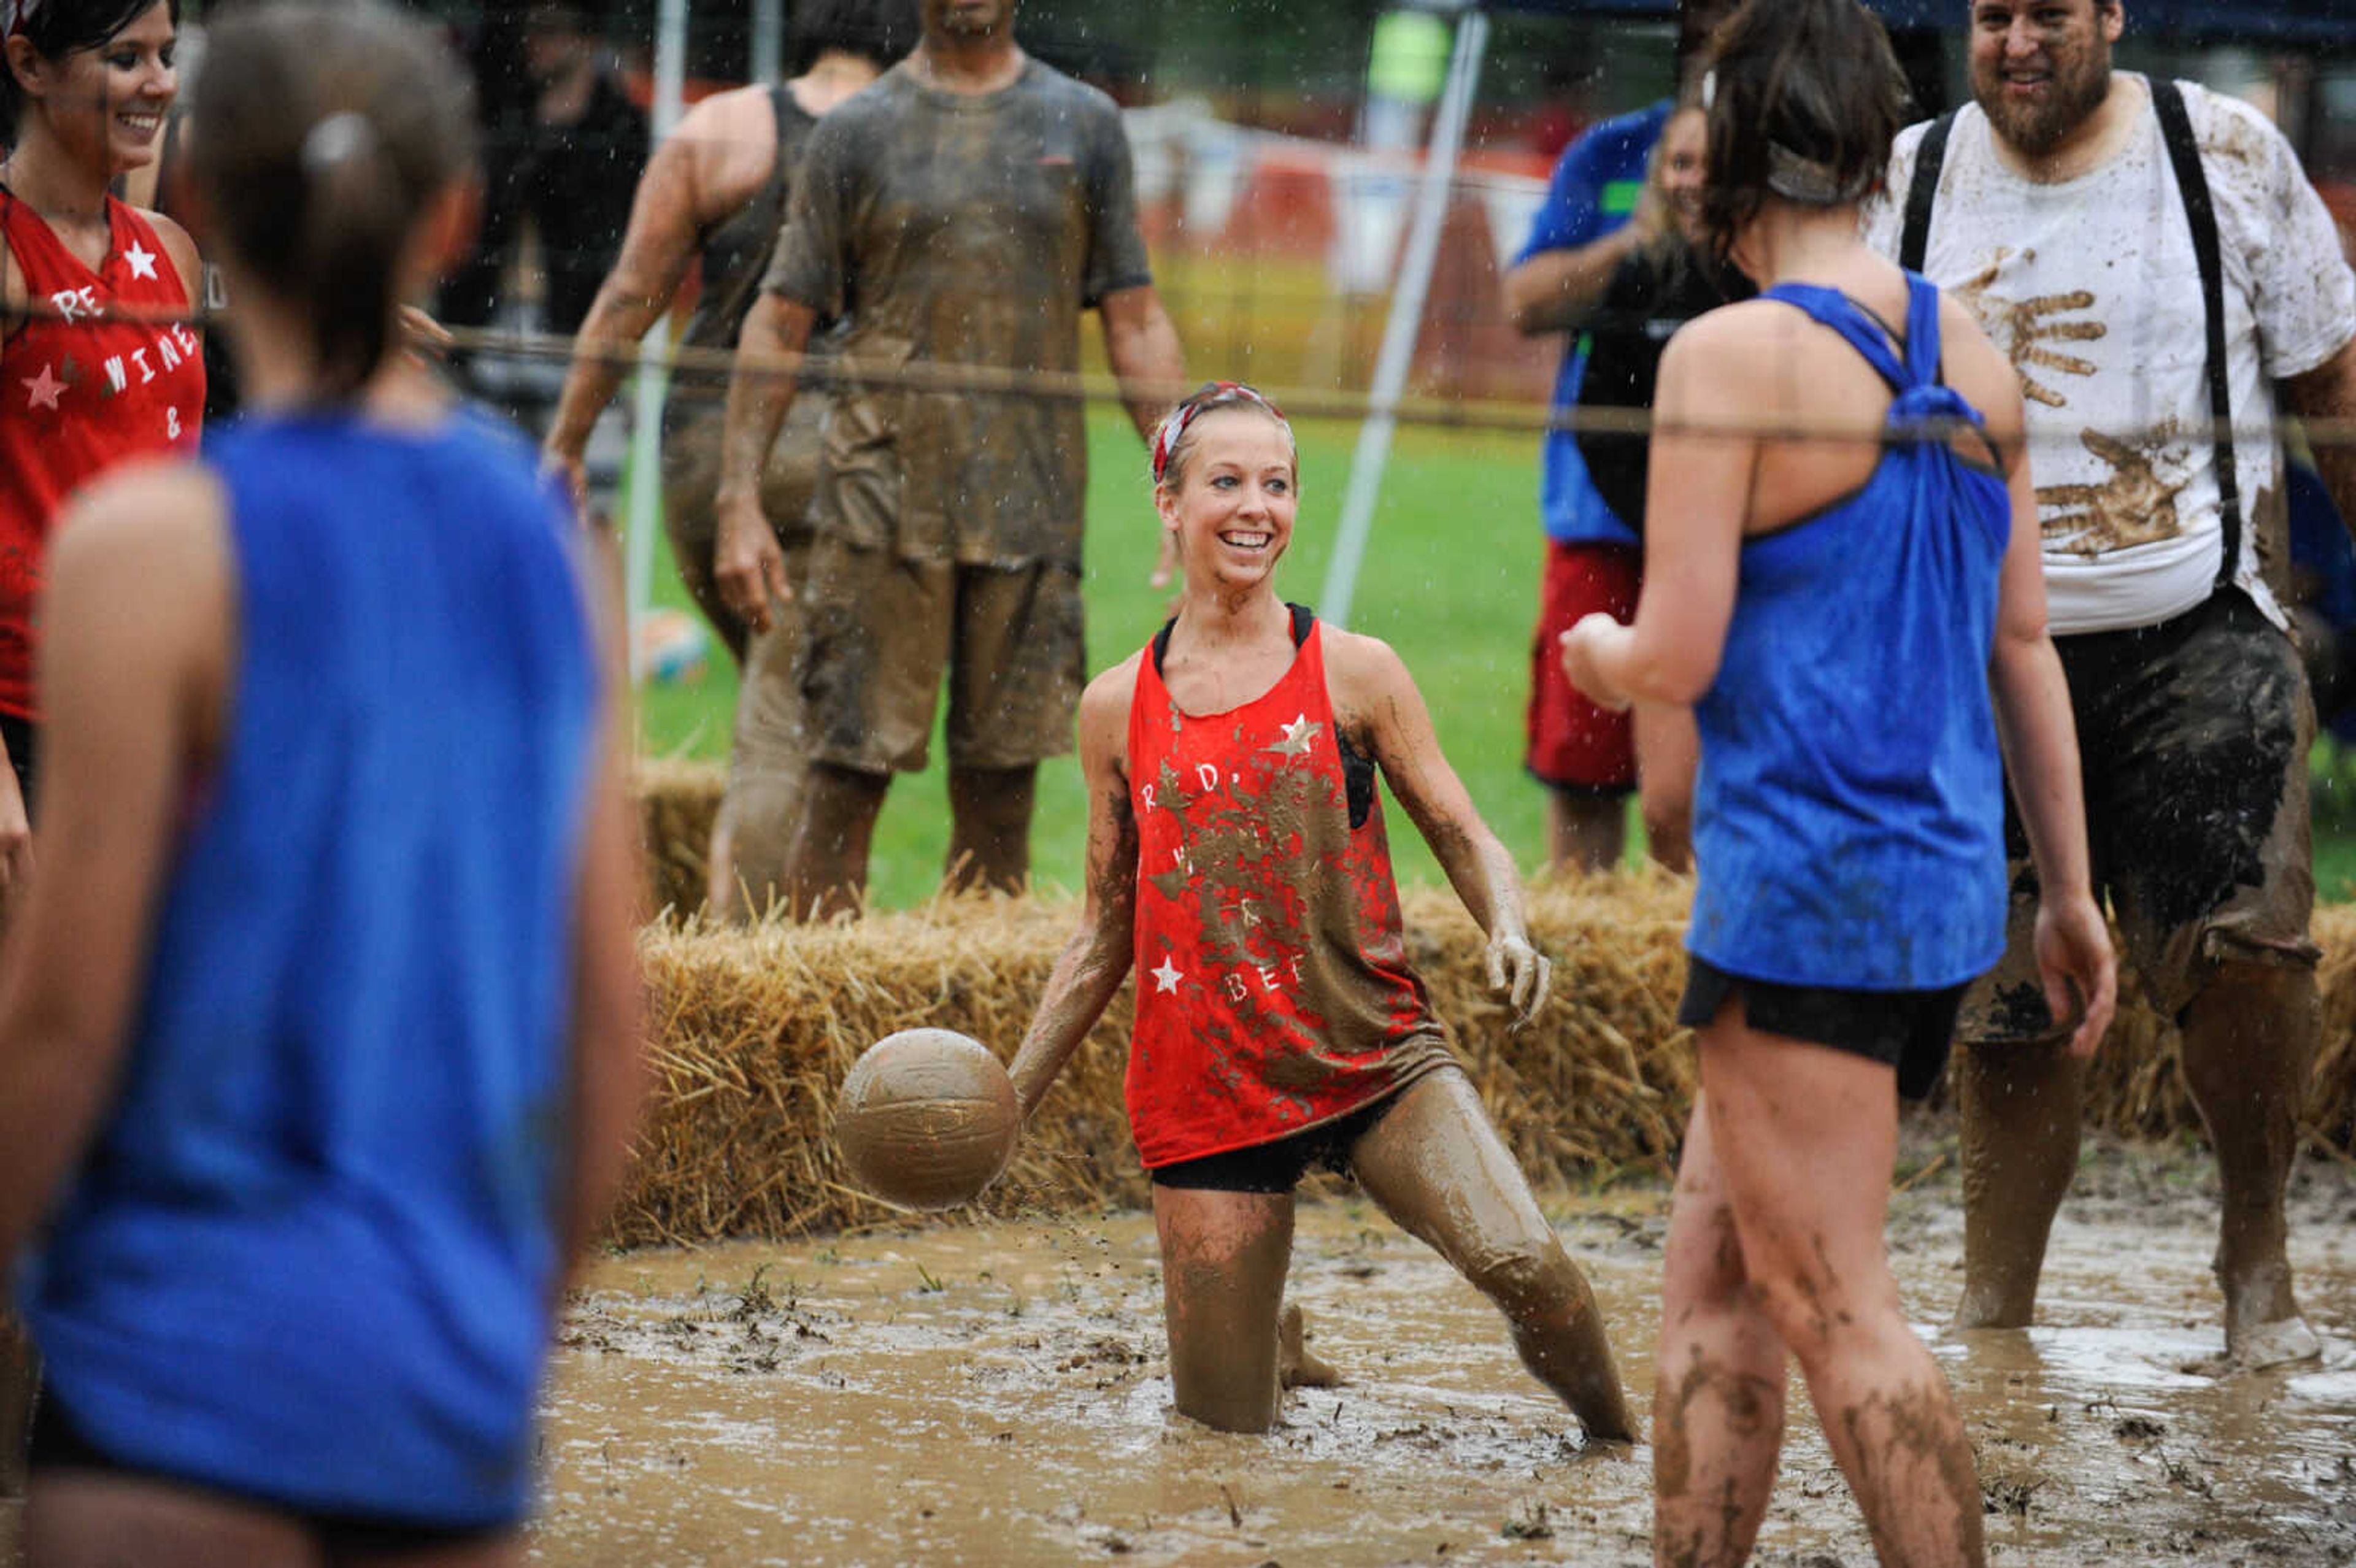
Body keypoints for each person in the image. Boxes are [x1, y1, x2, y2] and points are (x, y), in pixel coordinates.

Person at [0, 5, 646, 1562]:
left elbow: (67, 1028)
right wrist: (499, 1332)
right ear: (456, 217)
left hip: (166, 1385)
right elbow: (610, 1025)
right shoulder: (556, 547)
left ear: (205, 206)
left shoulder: (140, 556)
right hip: (444, 1399)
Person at [1560, 0, 2115, 1559]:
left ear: (1727, 157)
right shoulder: (1967, 345)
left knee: (1835, 1305)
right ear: (1870, 147)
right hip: (1933, 894)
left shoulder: (1729, 355)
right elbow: (2025, 646)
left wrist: (1594, 650)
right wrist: (2065, 895)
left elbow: (1666, 656)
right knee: (1719, 1280)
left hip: (1806, 896)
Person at [1862, 0, 2356, 1368]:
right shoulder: (1903, 180)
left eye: (2052, 16)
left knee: (2251, 950)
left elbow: (2333, 389)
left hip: (2196, 623)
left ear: (2115, 18)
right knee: (2004, 995)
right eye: (1994, 17)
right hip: (1970, 647)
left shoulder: (2229, 155)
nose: (2021, 44)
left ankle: (2257, 1258)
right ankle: (1996, 1308)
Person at [1006, 382, 1636, 1442]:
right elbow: (1106, 926)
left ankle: (1622, 1444)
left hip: (1373, 1058)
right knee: (1221, 1439)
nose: (1257, 507)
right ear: (1168, 500)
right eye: (1226, 483)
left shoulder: (1356, 671)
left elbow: (1463, 830)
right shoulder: (1117, 707)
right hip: (1208, 1086)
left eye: (1278, 484)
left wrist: (1510, 925)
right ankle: (1272, 1342)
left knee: (1529, 1266)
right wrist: (1011, 1093)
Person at [715, 0, 1185, 921]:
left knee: (1003, 800)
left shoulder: (1083, 123)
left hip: (1031, 508)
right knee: (842, 786)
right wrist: (739, 498)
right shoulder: (857, 130)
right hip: (877, 502)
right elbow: (778, 321)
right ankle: (822, 1036)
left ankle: (967, 1063)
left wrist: (1186, 476)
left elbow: (1135, 319)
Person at [542, 0, 913, 918]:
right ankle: (748, 962)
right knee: (786, 721)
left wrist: (567, 443)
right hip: (841, 457)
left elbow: (629, 297)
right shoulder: (921, 141)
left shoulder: (722, 128)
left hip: (706, 462)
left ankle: (790, 914)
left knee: (776, 685)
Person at [0, 0, 202, 1498]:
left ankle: (96, 1449)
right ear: (27, 61)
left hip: (160, 741)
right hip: (27, 737)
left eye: (164, 52)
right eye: (121, 55)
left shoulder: (173, 258)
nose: (153, 82)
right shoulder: (4, 257)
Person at [1503, 0, 1736, 877]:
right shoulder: (1609, 154)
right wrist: (1632, 245)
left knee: (1712, 788)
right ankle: (1589, 955)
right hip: (1598, 512)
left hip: (1739, 528)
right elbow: (1525, 302)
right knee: (1585, 767)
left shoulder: (1792, 169)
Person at [1564, 95, 1754, 872]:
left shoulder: (1769, 284)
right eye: (1680, 162)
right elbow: (1597, 422)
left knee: (1742, 780)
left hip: (1763, 566)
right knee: (1661, 799)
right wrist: (1670, 524)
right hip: (1664, 557)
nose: (1693, 182)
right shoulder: (1637, 277)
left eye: (1712, 165)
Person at [440, 0, 646, 434]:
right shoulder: (509, 117)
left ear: (586, 39)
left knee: (578, 485)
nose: (536, 44)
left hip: (574, 333)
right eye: (532, 31)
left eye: (551, 31)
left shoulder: (620, 130)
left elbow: (621, 237)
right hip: (491, 332)